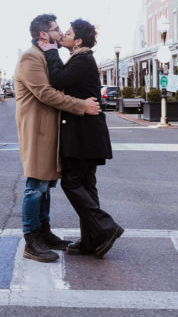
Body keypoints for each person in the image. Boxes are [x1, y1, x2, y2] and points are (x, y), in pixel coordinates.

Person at [14, 14, 101, 263]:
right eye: (56, 29)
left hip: (50, 130)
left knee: (47, 185)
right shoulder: (31, 57)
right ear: (43, 35)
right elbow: (46, 93)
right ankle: (32, 240)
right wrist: (81, 105)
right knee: (35, 186)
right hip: (37, 130)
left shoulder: (43, 55)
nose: (60, 32)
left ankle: (45, 233)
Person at [43, 19, 124, 258]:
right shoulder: (82, 59)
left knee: (71, 182)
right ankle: (91, 240)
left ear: (77, 41)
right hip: (88, 135)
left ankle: (106, 228)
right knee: (87, 186)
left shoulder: (82, 60)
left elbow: (58, 80)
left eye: (68, 33)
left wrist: (50, 51)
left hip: (84, 136)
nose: (64, 35)